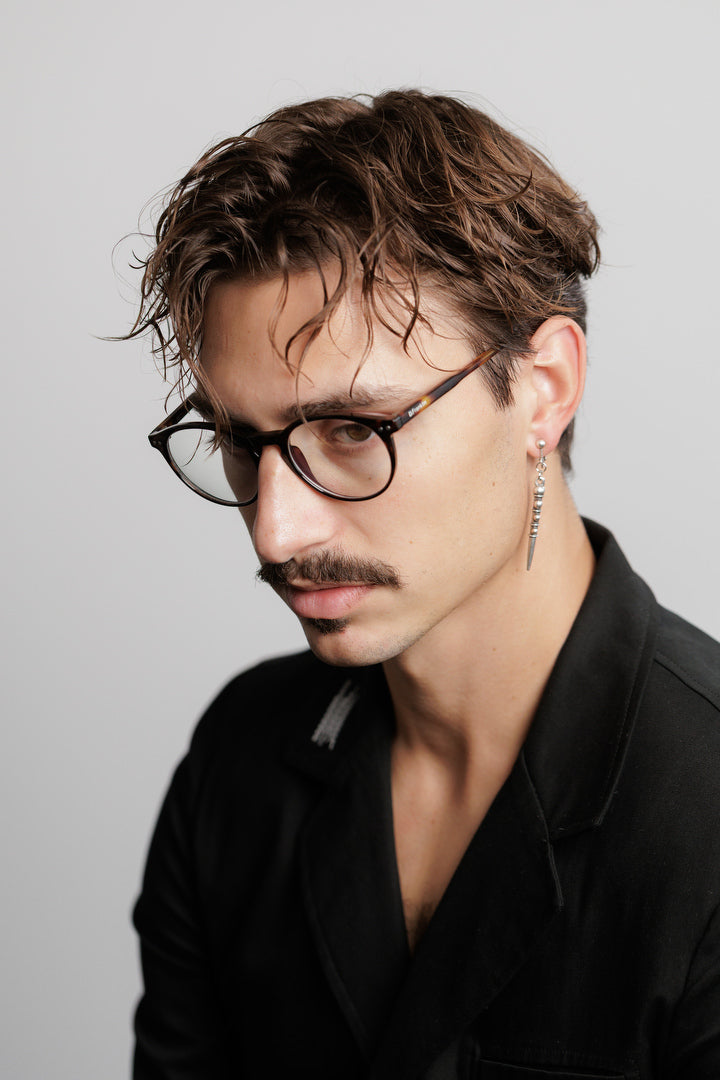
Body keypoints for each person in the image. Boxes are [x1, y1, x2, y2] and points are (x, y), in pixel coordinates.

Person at [127, 90, 720, 1078]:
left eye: (354, 430)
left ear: (544, 389)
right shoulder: (240, 763)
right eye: (240, 440)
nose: (275, 528)